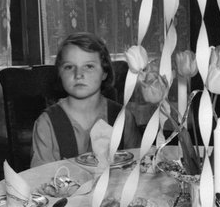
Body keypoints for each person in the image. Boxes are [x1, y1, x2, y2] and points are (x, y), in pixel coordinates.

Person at [30, 33, 140, 165]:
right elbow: (40, 179)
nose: (78, 75)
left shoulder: (123, 119)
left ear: (104, 72)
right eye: (69, 67)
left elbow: (139, 168)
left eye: (89, 66)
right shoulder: (47, 124)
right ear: (59, 73)